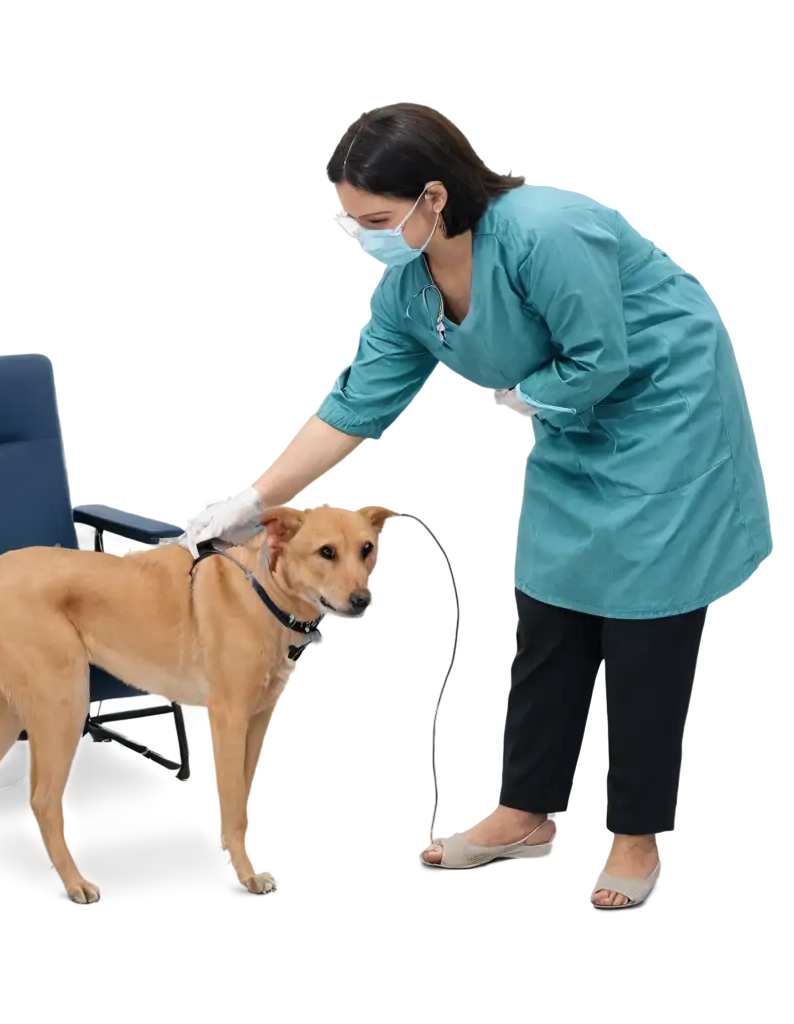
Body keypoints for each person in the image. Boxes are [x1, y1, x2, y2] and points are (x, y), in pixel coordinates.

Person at [181, 100, 769, 909]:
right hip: (573, 420)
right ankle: (525, 810)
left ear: (433, 197)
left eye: (376, 217)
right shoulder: (407, 292)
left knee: (644, 640)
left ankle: (634, 836)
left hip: (667, 418)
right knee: (550, 617)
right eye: (348, 219)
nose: (363, 236)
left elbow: (600, 358)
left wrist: (530, 396)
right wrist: (250, 495)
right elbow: (351, 409)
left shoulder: (546, 232)